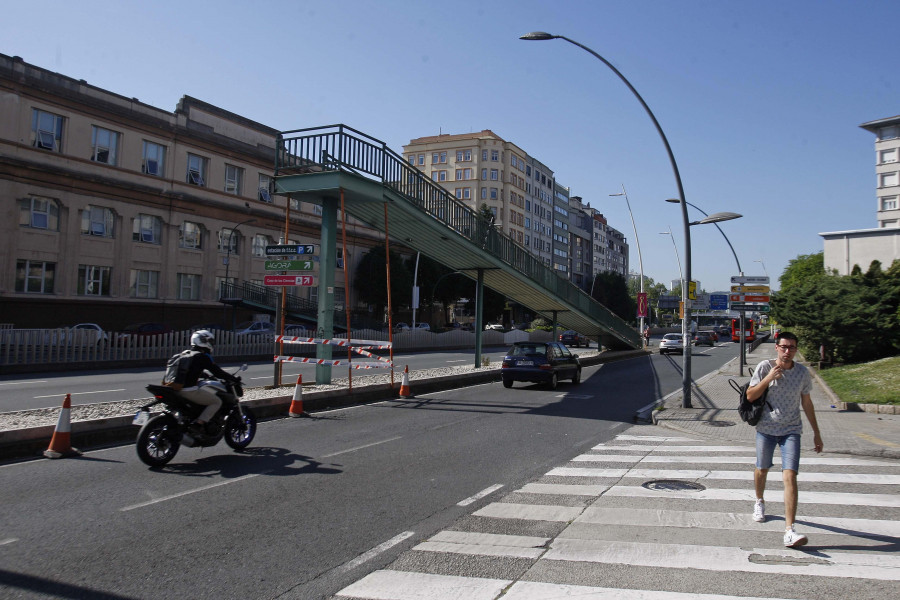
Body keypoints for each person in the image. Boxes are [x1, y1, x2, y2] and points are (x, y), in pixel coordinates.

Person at [747, 331, 823, 547]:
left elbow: (807, 403)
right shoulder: (764, 367)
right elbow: (751, 395)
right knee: (762, 469)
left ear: (796, 350)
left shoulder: (802, 373)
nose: (787, 351)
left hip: (791, 431)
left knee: (790, 476)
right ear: (777, 348)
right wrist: (769, 377)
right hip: (766, 429)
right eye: (784, 347)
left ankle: (790, 530)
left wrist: (817, 433)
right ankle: (759, 501)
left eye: (792, 347)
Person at [178, 329, 240, 434]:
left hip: (174, 388)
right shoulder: (203, 356)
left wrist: (203, 374)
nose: (211, 344)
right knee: (217, 401)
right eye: (210, 341)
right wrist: (233, 379)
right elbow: (218, 372)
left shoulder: (184, 354)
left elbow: (187, 371)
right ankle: (199, 424)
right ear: (203, 341)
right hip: (188, 390)